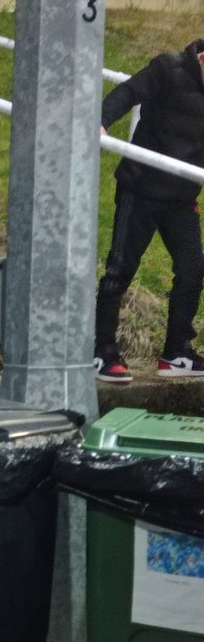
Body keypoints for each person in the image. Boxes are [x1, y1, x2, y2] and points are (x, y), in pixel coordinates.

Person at [94, 38, 204, 383]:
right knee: (120, 268)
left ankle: (177, 352)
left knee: (193, 268)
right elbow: (127, 92)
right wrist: (101, 121)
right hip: (140, 188)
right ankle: (101, 351)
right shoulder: (169, 68)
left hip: (183, 198)